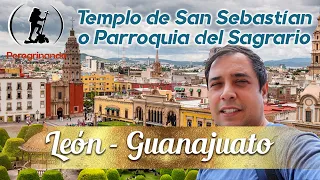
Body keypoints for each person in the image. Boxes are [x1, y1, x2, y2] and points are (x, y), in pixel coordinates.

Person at [197, 45, 320, 180]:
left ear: (263, 91)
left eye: (241, 81)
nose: (226, 94)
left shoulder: (288, 146)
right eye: (216, 84)